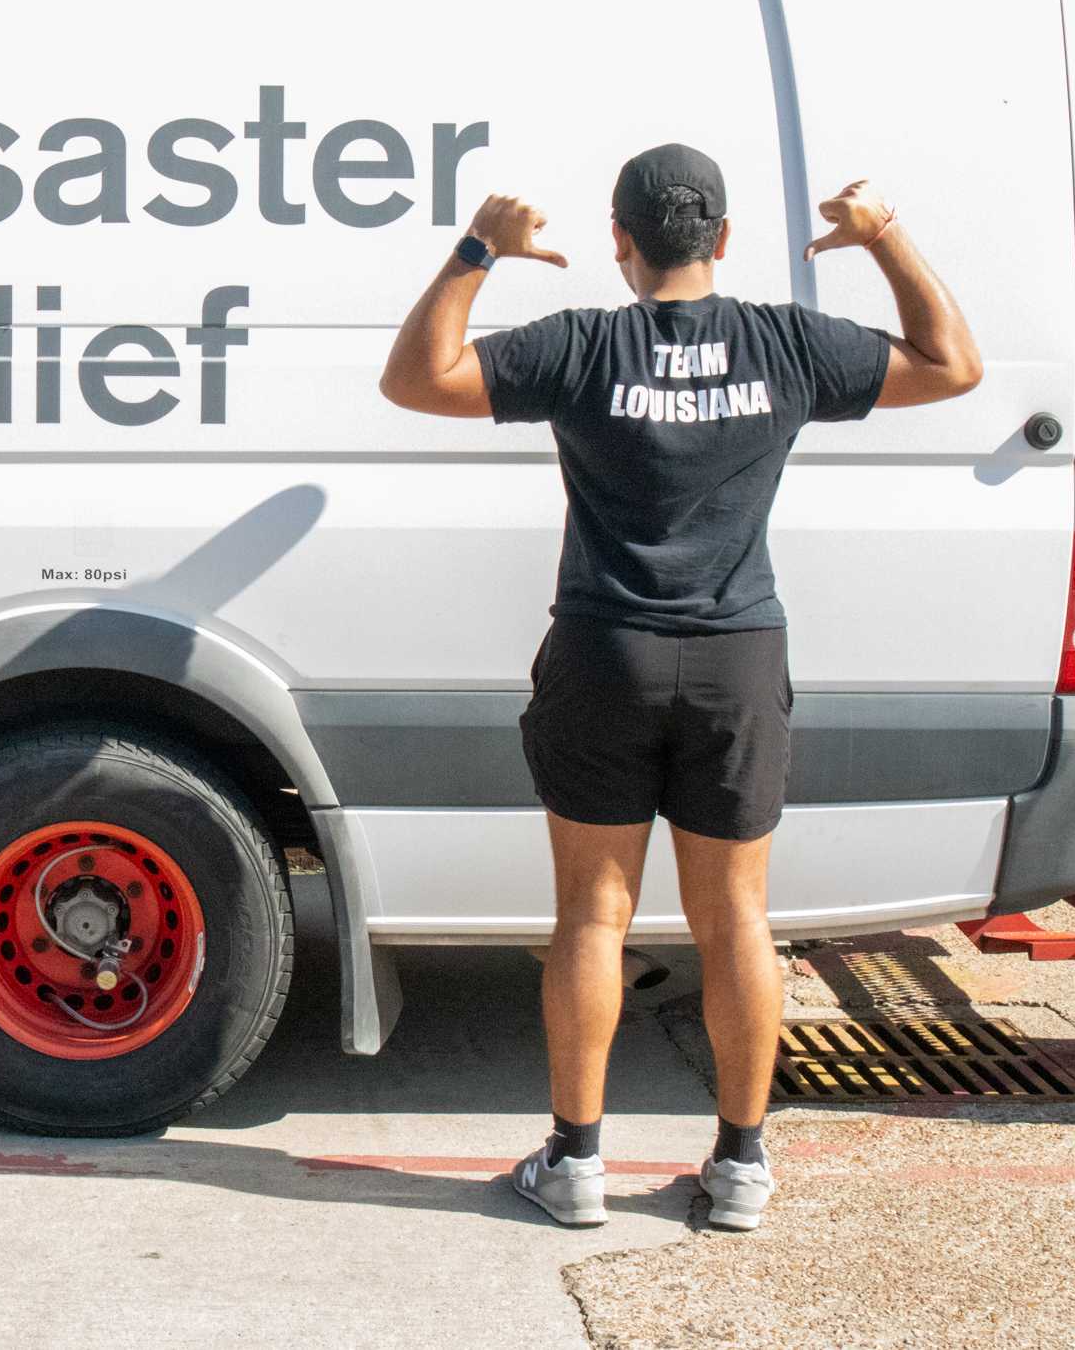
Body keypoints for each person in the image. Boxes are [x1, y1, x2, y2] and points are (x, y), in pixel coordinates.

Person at [378, 147, 982, 1232]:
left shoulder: (582, 342)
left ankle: (573, 1165)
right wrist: (884, 236)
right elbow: (952, 365)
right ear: (725, 238)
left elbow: (416, 379)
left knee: (592, 917)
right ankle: (740, 1167)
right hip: (734, 657)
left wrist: (478, 250)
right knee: (735, 918)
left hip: (606, 649)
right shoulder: (786, 343)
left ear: (617, 242)